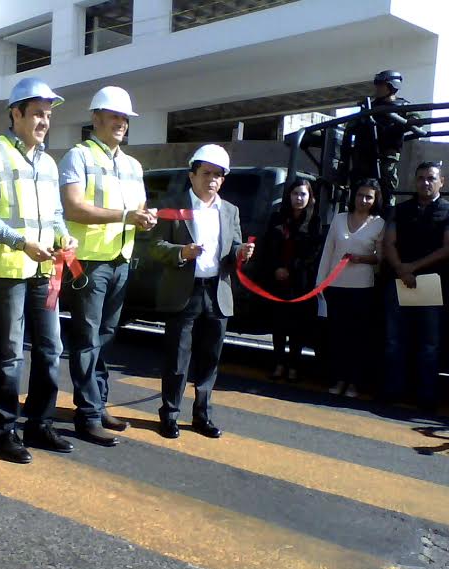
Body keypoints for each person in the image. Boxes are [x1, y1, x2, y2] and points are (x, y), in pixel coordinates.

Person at [0, 78, 77, 463]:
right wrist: (21, 243)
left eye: (48, 115)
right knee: (10, 353)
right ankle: (4, 433)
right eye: (37, 114)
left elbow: (56, 213)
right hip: (10, 270)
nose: (44, 121)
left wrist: (64, 236)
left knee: (51, 349)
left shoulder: (47, 162)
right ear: (15, 113)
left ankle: (40, 424)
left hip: (44, 269)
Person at [59, 86, 156, 447]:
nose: (120, 123)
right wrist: (126, 215)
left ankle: (98, 404)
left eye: (124, 118)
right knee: (87, 338)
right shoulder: (78, 156)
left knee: (105, 335)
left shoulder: (132, 165)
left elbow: (138, 208)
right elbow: (73, 208)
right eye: (114, 116)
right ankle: (87, 415)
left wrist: (145, 218)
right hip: (88, 261)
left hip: (120, 259)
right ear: (95, 118)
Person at [150, 144, 255, 440]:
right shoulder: (173, 205)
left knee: (210, 359)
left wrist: (242, 252)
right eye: (206, 173)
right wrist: (181, 252)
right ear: (192, 175)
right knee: (177, 358)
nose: (212, 179)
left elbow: (233, 248)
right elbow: (156, 247)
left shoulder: (229, 210)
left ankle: (202, 415)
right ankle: (170, 414)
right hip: (184, 291)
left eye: (218, 175)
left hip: (217, 291)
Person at [382, 162, 449, 410]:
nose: (425, 182)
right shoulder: (399, 210)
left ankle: (425, 396)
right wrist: (401, 269)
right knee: (395, 340)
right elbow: (388, 243)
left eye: (431, 178)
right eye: (421, 178)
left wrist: (411, 268)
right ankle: (393, 391)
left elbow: (448, 248)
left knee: (429, 345)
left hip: (432, 284)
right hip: (399, 281)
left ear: (441, 182)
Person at [317, 179, 386, 398]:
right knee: (337, 336)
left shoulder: (379, 223)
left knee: (358, 338)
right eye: (360, 195)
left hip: (362, 288)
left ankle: (354, 382)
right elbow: (328, 251)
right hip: (335, 286)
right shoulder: (339, 219)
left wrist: (361, 258)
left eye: (369, 197)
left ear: (375, 200)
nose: (363, 200)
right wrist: (320, 283)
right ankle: (338, 379)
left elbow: (380, 258)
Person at [260, 179, 322, 381]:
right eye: (295, 194)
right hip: (278, 280)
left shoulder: (314, 221)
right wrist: (277, 268)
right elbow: (268, 246)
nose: (299, 198)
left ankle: (294, 366)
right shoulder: (278, 217)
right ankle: (278, 364)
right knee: (278, 324)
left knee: (298, 326)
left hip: (300, 281)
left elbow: (313, 252)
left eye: (303, 194)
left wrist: (292, 269)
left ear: (310, 197)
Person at [340, 70, 413, 212]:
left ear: (392, 87)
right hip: (363, 157)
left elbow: (416, 119)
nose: (377, 88)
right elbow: (350, 128)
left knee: (386, 188)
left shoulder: (402, 106)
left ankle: (386, 214)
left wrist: (405, 123)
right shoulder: (369, 107)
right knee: (358, 187)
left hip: (386, 156)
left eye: (381, 85)